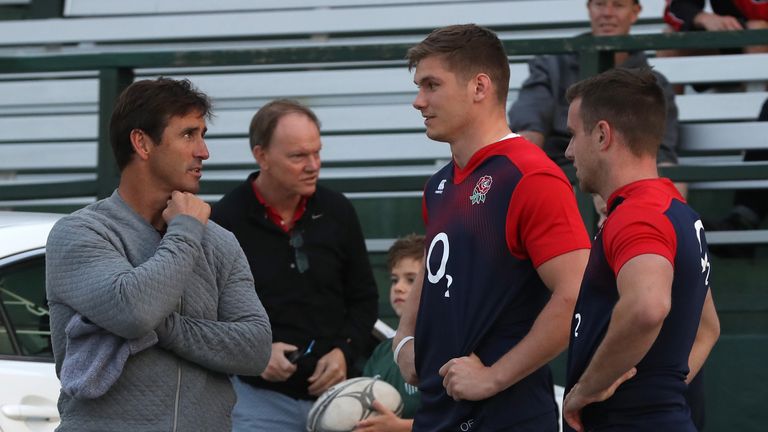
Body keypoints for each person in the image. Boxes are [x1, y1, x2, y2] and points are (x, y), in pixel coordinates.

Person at [393, 24, 591, 431]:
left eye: (432, 85)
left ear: (479, 87)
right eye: (419, 86)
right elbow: (434, 273)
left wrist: (494, 376)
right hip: (437, 414)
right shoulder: (439, 185)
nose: (418, 101)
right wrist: (405, 339)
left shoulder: (530, 175)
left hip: (503, 418)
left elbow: (576, 293)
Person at [45, 77, 272, 431]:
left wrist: (161, 327)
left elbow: (255, 348)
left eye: (203, 135)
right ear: (142, 143)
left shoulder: (219, 242)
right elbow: (133, 313)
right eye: (188, 135)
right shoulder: (80, 233)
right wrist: (184, 232)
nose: (204, 151)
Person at [562, 67, 720, 432]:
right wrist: (658, 394)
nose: (569, 150)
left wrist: (586, 390)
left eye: (573, 135)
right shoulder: (674, 209)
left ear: (602, 134)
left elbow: (648, 306)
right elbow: (707, 328)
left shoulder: (638, 215)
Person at [210, 99, 379, 432]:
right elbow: (206, 314)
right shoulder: (224, 220)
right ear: (261, 156)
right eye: (298, 156)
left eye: (317, 152)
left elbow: (364, 298)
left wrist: (344, 352)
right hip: (255, 400)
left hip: (338, 397)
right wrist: (254, 355)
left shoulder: (337, 210)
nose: (313, 165)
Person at [357, 234, 424, 432]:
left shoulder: (448, 348)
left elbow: (458, 419)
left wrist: (400, 427)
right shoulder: (382, 351)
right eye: (395, 280)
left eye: (411, 280)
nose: (399, 288)